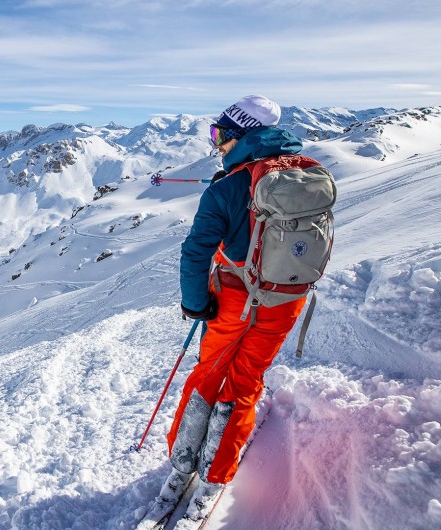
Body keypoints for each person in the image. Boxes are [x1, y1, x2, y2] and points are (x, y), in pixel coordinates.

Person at [158, 95, 312, 521]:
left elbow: (195, 253)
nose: (217, 144)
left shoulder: (226, 188)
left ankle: (185, 464)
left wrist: (195, 304)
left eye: (221, 134)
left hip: (234, 301)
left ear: (244, 135)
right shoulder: (308, 174)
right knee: (245, 381)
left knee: (209, 374)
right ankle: (217, 473)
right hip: (285, 301)